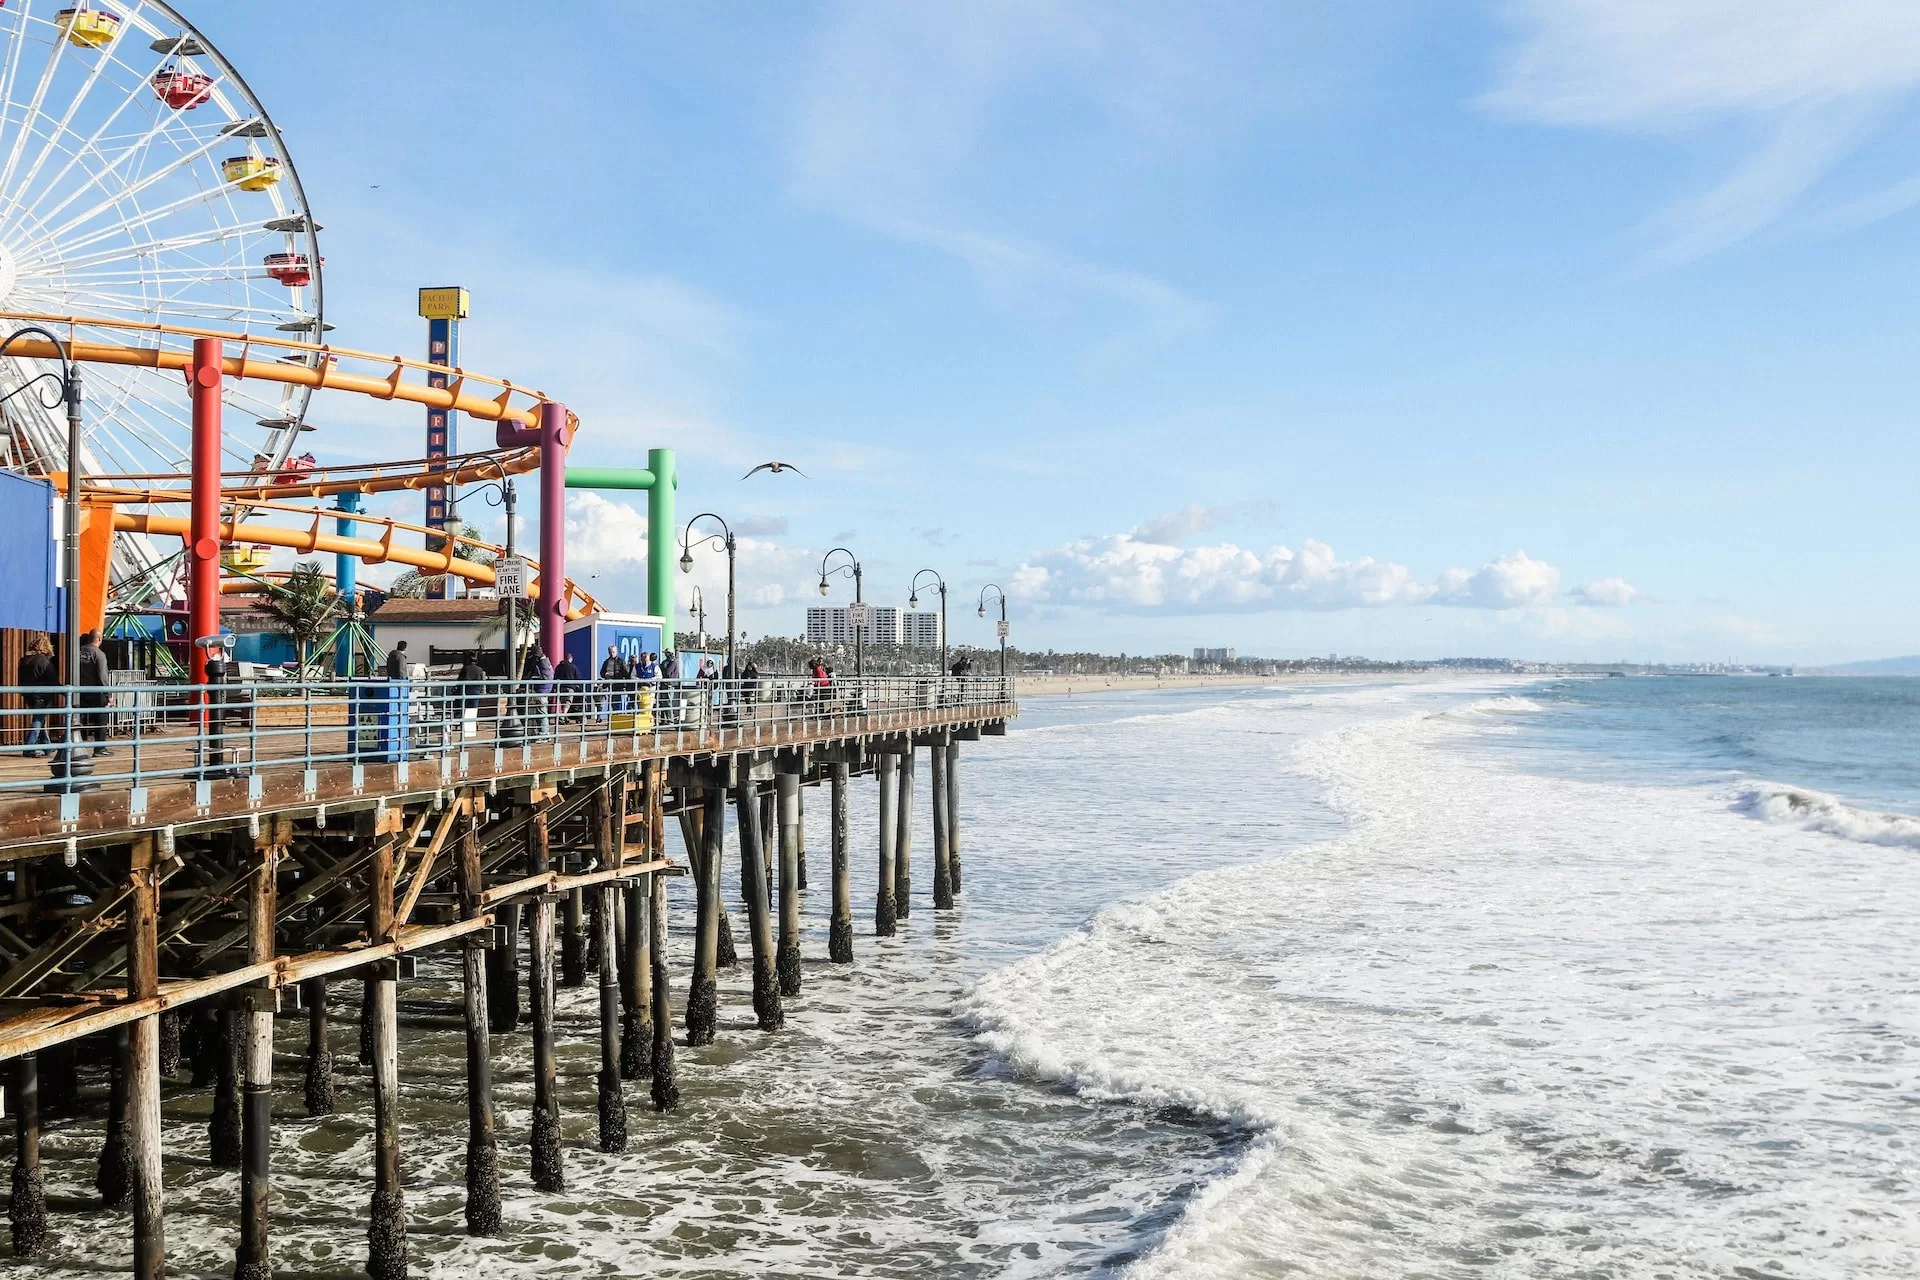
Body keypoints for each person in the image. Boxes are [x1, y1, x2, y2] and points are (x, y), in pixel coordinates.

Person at [18, 635, 55, 757]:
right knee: (38, 720)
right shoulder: (44, 661)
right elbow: (52, 678)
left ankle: (47, 746)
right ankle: (29, 747)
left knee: (40, 720)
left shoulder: (25, 660)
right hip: (42, 695)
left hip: (29, 695)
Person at [77, 630, 111, 754]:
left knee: (76, 718)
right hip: (95, 691)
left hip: (78, 692)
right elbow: (103, 676)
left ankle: (75, 743)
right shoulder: (99, 654)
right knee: (101, 718)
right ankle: (100, 747)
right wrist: (108, 694)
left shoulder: (77, 651)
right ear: (99, 639)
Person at [520, 645, 552, 737]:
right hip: (546, 689)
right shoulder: (546, 662)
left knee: (541, 712)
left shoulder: (540, 664)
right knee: (542, 711)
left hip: (541, 690)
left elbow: (535, 675)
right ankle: (544, 733)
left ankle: (544, 734)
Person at [458, 651, 488, 736]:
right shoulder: (480, 670)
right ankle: (472, 726)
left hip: (466, 690)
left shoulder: (465, 668)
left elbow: (459, 680)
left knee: (464, 708)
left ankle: (463, 725)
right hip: (475, 691)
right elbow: (482, 681)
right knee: (474, 709)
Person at [554, 652, 580, 722]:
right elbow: (578, 678)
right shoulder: (573, 667)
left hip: (560, 687)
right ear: (570, 659)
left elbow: (555, 677)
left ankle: (563, 716)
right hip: (570, 687)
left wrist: (555, 687)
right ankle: (563, 716)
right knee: (568, 702)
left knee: (563, 702)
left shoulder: (559, 667)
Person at [600, 644, 626, 716]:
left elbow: (625, 672)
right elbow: (601, 673)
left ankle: (618, 717)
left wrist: (618, 676)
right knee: (610, 702)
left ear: (616, 652)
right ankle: (612, 718)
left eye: (613, 652)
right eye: (610, 652)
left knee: (617, 702)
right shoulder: (606, 662)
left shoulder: (621, 661)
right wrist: (605, 674)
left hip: (617, 685)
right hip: (608, 685)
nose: (612, 654)